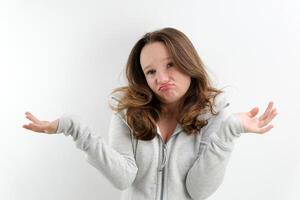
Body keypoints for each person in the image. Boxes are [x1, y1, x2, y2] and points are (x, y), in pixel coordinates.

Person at [22, 27, 277, 200]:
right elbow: (123, 178)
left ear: (188, 63)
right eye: (150, 71)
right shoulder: (128, 112)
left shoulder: (212, 113)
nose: (161, 78)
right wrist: (73, 127)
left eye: (170, 65)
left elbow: (199, 190)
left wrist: (229, 131)